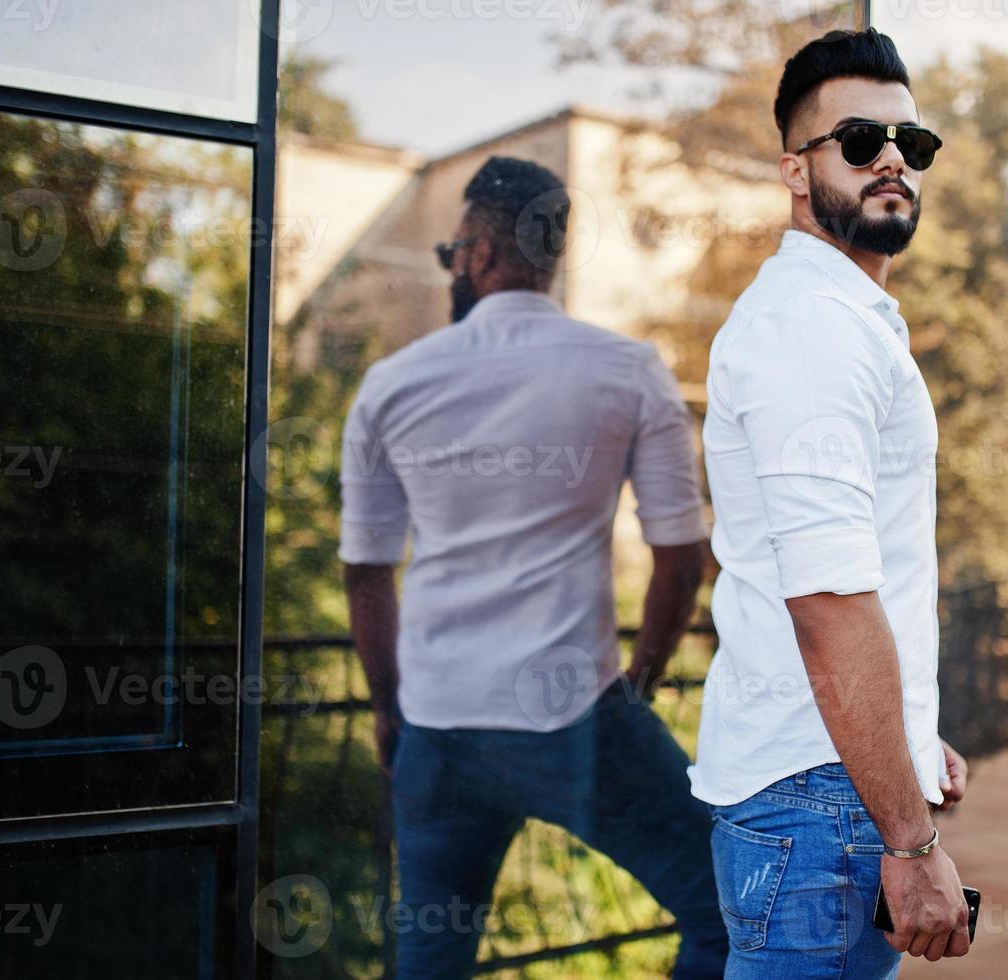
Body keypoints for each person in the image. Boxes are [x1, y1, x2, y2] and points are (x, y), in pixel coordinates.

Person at [340, 155, 728, 979]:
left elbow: (366, 573)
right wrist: (643, 678)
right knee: (733, 909)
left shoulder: (390, 383)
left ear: (477, 255)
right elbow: (681, 557)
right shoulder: (626, 369)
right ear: (550, 257)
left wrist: (388, 711)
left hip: (438, 729)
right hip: (576, 721)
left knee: (430, 962)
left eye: (452, 255)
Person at [689, 29, 972, 977]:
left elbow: (868, 571)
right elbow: (827, 603)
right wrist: (912, 844)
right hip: (821, 808)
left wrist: (915, 734)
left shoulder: (848, 320)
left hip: (835, 791)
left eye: (910, 142)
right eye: (857, 140)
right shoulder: (811, 326)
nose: (891, 156)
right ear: (795, 171)